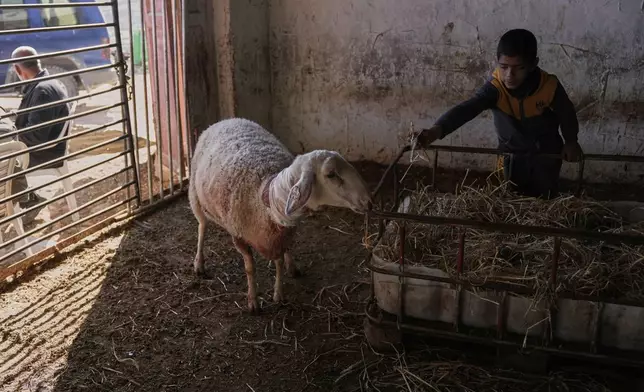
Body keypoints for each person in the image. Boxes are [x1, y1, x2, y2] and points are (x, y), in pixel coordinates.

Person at [414, 29, 583, 199]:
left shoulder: (549, 86)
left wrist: (571, 141)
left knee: (545, 197)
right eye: (504, 67)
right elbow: (467, 109)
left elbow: (566, 113)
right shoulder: (496, 88)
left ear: (533, 64)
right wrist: (435, 131)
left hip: (546, 154)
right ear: (497, 64)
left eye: (519, 68)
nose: (509, 75)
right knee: (509, 198)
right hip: (510, 154)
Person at [3, 46, 70, 223]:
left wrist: (11, 134)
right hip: (45, 146)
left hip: (45, 153)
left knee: (3, 160)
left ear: (17, 69)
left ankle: (28, 201)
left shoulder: (42, 91)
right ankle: (25, 198)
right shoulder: (47, 83)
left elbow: (36, 137)